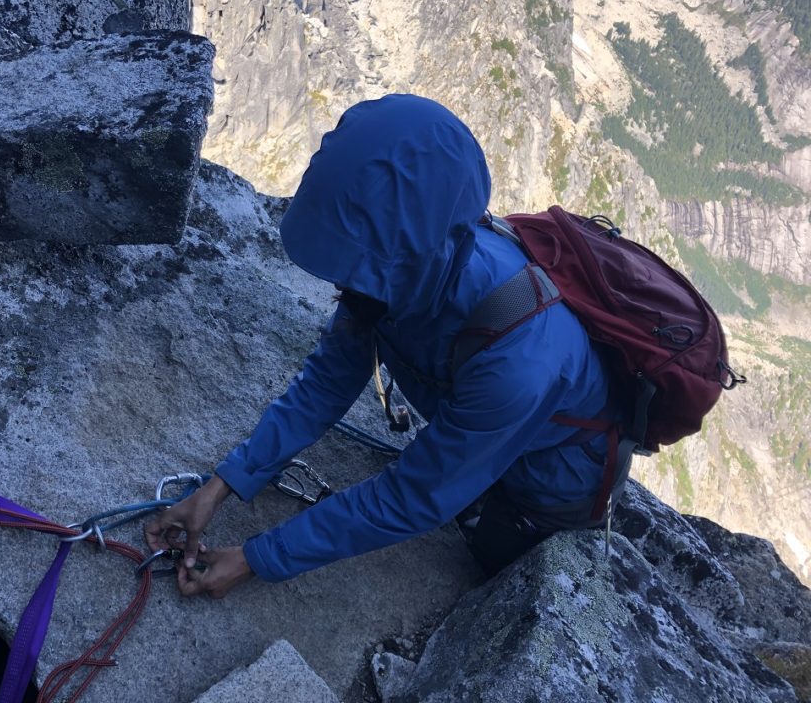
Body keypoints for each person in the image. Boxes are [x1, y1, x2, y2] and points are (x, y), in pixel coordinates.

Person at [145, 94, 626, 598]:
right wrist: (221, 485)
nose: (340, 287)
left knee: (492, 577)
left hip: (551, 485)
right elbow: (326, 384)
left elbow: (413, 497)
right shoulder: (394, 271)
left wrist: (256, 558)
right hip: (481, 424)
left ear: (417, 258)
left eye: (354, 271)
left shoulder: (518, 358)